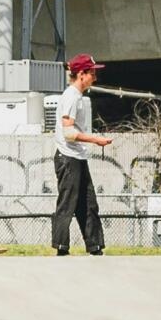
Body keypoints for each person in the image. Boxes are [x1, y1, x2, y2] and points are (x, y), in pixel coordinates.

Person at [51, 54, 111, 255]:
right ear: (81, 74)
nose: (95, 76)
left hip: (78, 157)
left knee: (88, 203)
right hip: (68, 157)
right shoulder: (70, 97)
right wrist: (96, 140)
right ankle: (61, 247)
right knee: (67, 203)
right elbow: (68, 133)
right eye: (92, 73)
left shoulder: (79, 97)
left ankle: (94, 246)